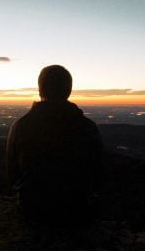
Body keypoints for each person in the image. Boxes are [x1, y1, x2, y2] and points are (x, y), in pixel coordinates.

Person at [6, 65, 103, 225]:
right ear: (68, 91)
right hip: (78, 211)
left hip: (33, 211)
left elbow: (13, 176)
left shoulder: (21, 126)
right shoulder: (88, 127)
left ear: (40, 89)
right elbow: (98, 175)